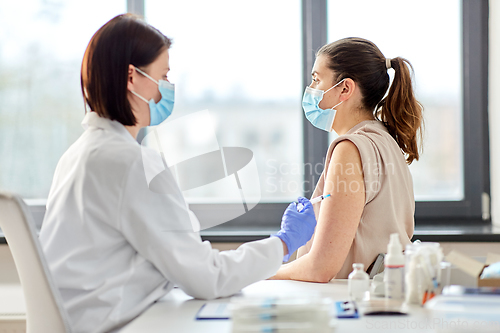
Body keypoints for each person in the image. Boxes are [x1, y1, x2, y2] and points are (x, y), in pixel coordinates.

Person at [39, 14, 316, 333]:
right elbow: (207, 277)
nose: (168, 87)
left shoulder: (79, 154)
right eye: (163, 74)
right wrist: (282, 243)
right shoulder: (131, 163)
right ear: (132, 77)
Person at [270, 37, 423, 282]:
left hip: (348, 304)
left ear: (345, 88)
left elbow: (320, 268)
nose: (311, 88)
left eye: (316, 79)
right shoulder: (385, 139)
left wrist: (256, 274)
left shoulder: (350, 148)